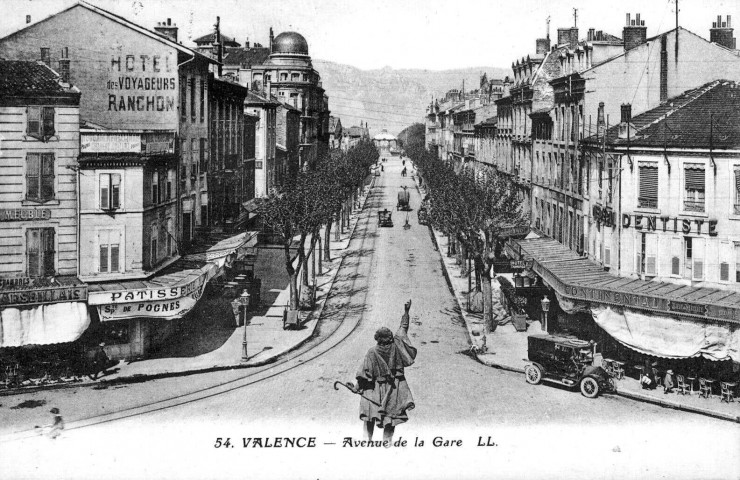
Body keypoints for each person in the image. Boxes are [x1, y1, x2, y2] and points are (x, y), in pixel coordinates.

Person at [354, 300, 417, 445]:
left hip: (375, 388)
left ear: (377, 340)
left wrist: (357, 387)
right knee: (391, 418)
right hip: (393, 388)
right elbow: (403, 328)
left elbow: (364, 374)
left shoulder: (372, 352)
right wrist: (406, 312)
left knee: (369, 415)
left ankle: (366, 441)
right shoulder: (396, 345)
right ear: (389, 339)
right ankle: (387, 444)